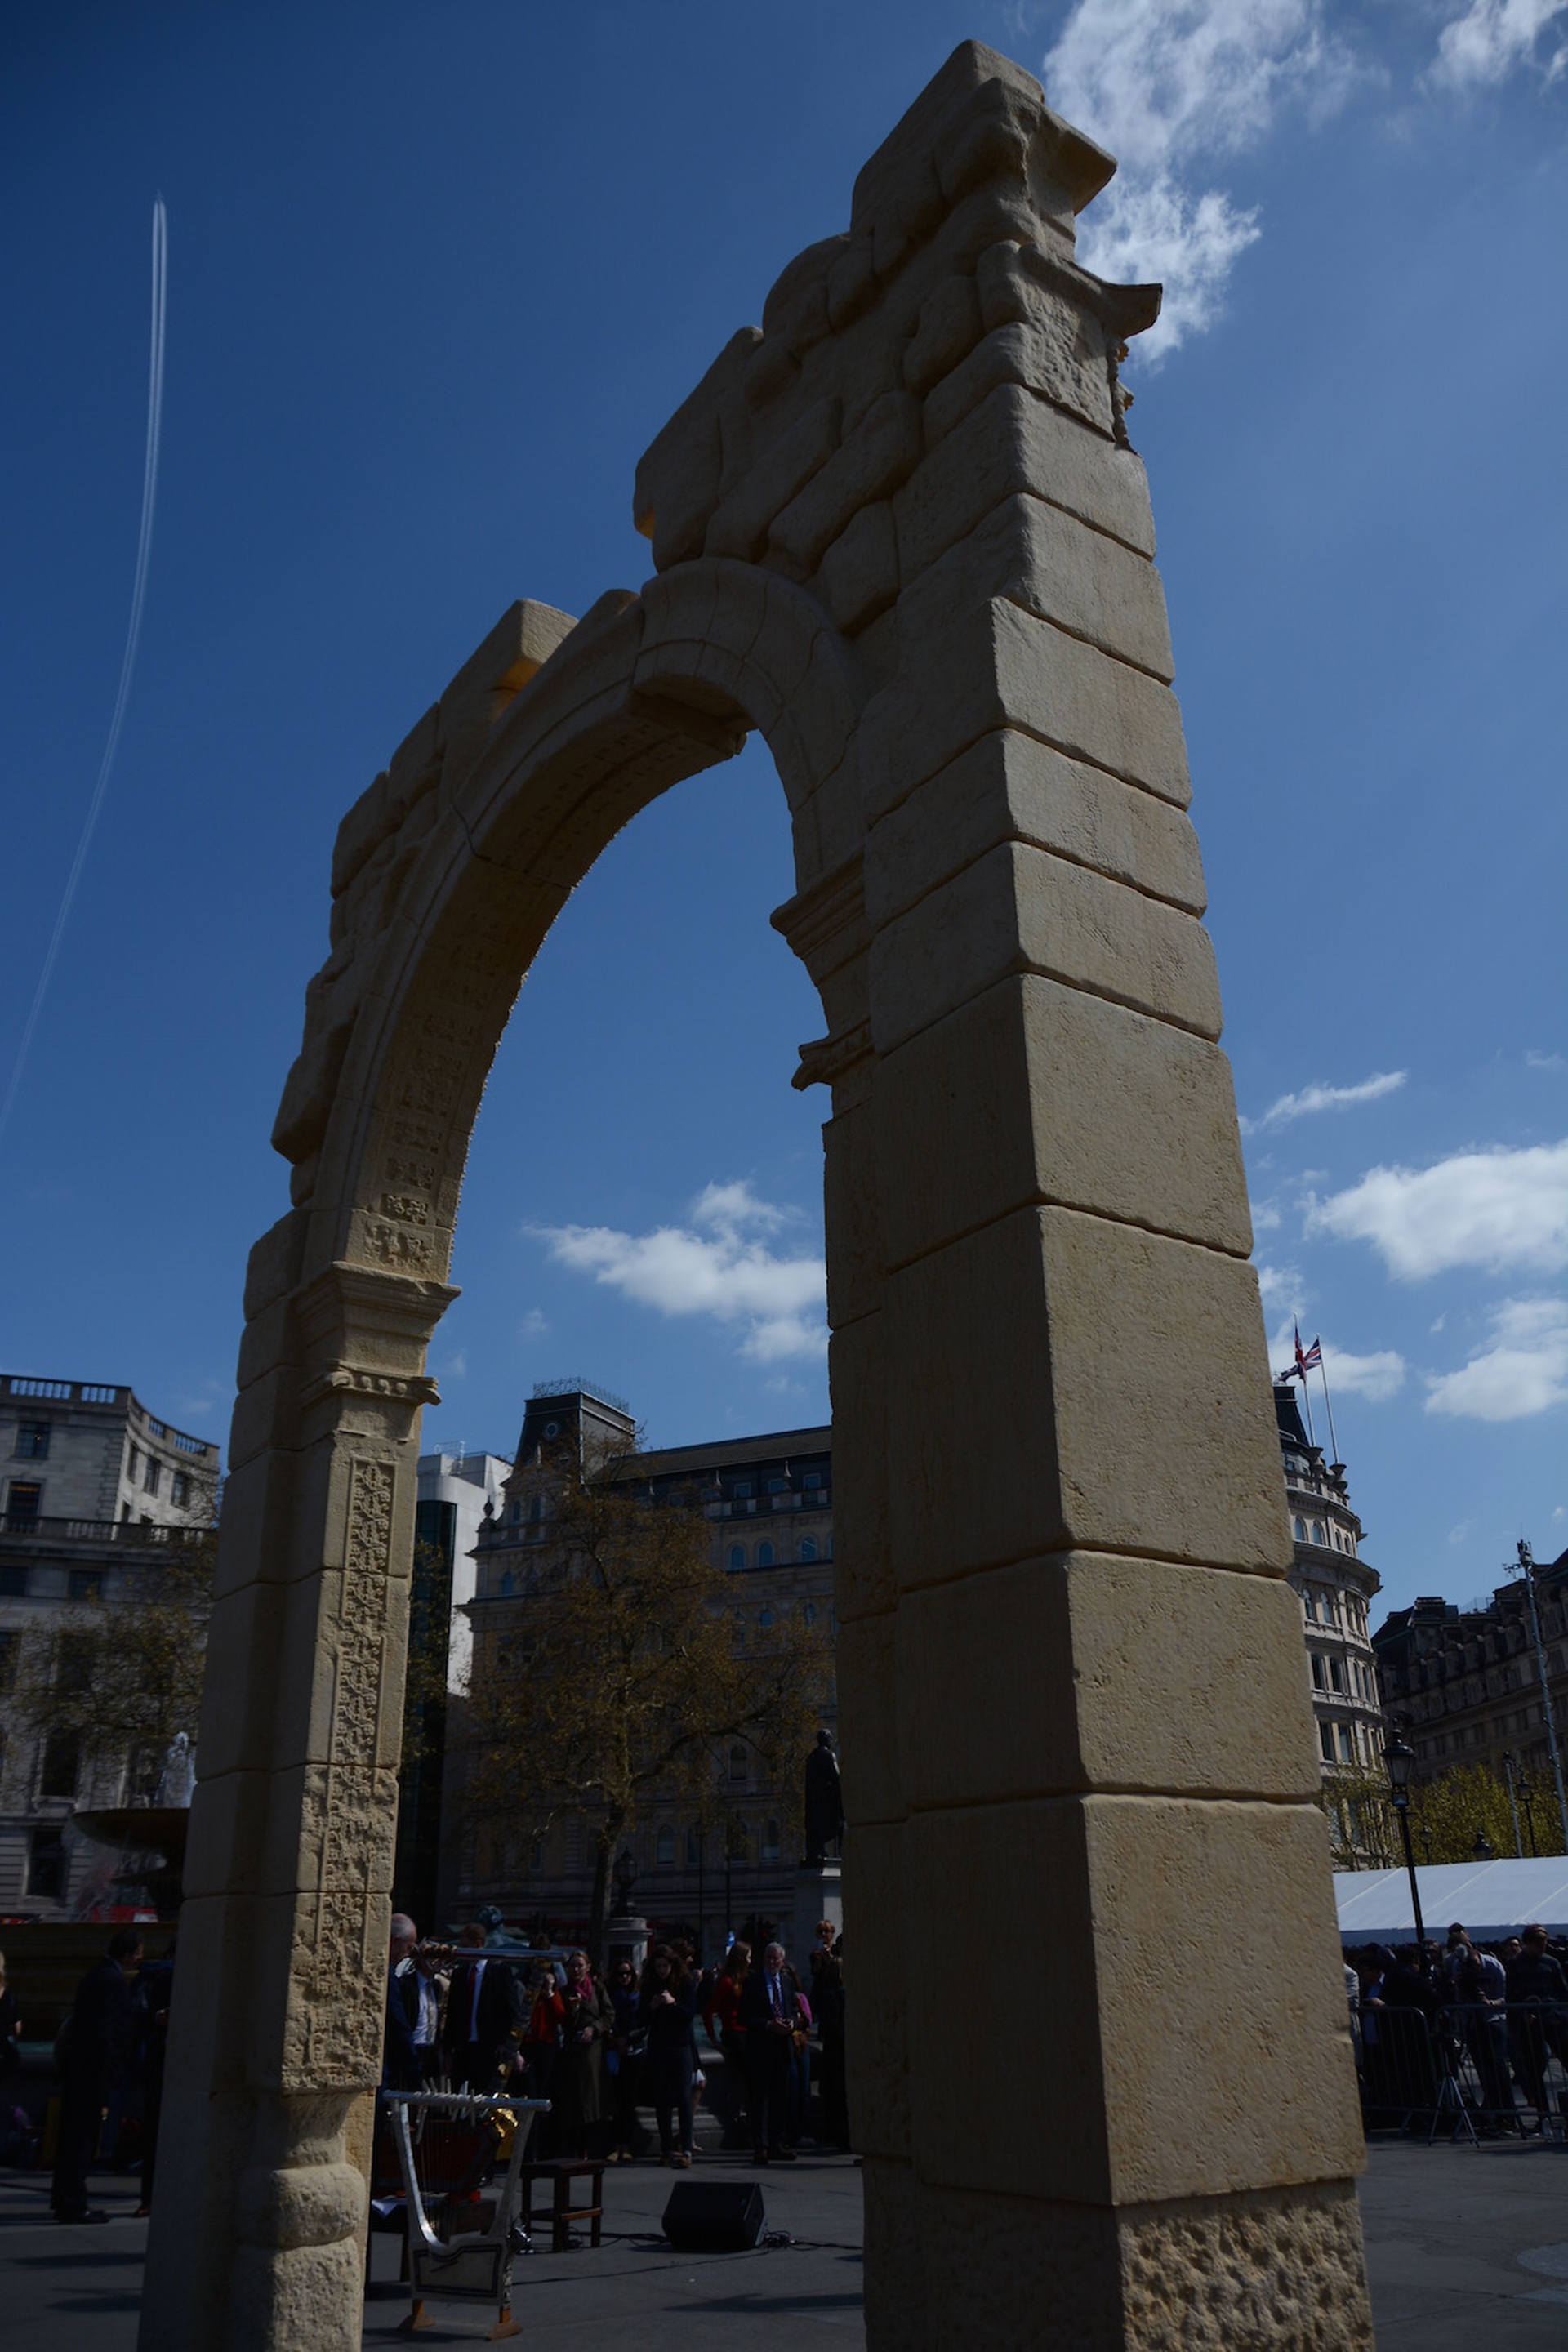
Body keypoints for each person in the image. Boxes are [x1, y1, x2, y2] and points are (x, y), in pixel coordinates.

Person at [51, 1928, 142, 2225]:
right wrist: (111, 2071)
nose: (141, 1958)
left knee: (73, 2137)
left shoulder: (97, 1973)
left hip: (81, 2070)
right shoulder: (112, 1979)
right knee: (83, 2140)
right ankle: (74, 2204)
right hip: (93, 2074)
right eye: (139, 1952)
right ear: (128, 1954)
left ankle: (64, 2198)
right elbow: (105, 2032)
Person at [737, 1940, 800, 2163]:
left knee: (780, 2098)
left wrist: (791, 2023)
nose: (773, 1962)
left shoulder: (786, 1981)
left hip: (783, 2047)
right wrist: (767, 2025)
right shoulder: (752, 1983)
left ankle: (777, 2143)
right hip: (761, 2047)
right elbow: (743, 2017)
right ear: (764, 1960)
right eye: (769, 1959)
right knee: (760, 2099)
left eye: (776, 1959)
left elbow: (792, 2010)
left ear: (782, 1961)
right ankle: (760, 2146)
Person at [442, 1922, 523, 2091]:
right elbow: (453, 2012)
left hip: (490, 2048)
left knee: (485, 2092)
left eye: (466, 1947)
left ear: (478, 1944)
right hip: (463, 2048)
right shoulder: (460, 1974)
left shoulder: (499, 1973)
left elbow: (511, 2010)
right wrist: (448, 2049)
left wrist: (507, 2042)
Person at [640, 1944, 698, 2167]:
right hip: (659, 2047)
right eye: (658, 1966)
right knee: (662, 2100)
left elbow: (689, 2014)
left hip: (680, 2047)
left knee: (684, 2098)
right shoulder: (650, 1985)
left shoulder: (684, 1983)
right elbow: (643, 2019)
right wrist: (652, 2007)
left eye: (665, 1966)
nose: (662, 1970)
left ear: (673, 1965)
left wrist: (673, 2003)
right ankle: (666, 2148)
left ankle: (686, 2148)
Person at [551, 1949, 612, 2158]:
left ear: (588, 1967)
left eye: (580, 1966)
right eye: (572, 1966)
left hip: (594, 2053)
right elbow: (562, 2021)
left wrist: (594, 2028)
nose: (576, 1970)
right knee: (574, 2101)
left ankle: (590, 2146)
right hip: (573, 2053)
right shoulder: (564, 1991)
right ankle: (574, 2147)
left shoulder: (596, 1988)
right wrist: (575, 2011)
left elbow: (609, 2014)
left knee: (593, 2100)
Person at [605, 1958, 643, 2163]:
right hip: (615, 2051)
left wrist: (629, 2039)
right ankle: (615, 2145)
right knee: (615, 2102)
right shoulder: (611, 1996)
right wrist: (615, 2039)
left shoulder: (638, 1997)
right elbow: (607, 2019)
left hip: (634, 2052)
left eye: (628, 1973)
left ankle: (626, 2145)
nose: (625, 1977)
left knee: (629, 2102)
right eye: (621, 1973)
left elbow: (643, 2023)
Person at [383, 1914, 422, 2091]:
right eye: (407, 1948)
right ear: (394, 1941)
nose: (407, 1956)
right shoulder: (387, 1976)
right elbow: (398, 2023)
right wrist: (414, 2069)